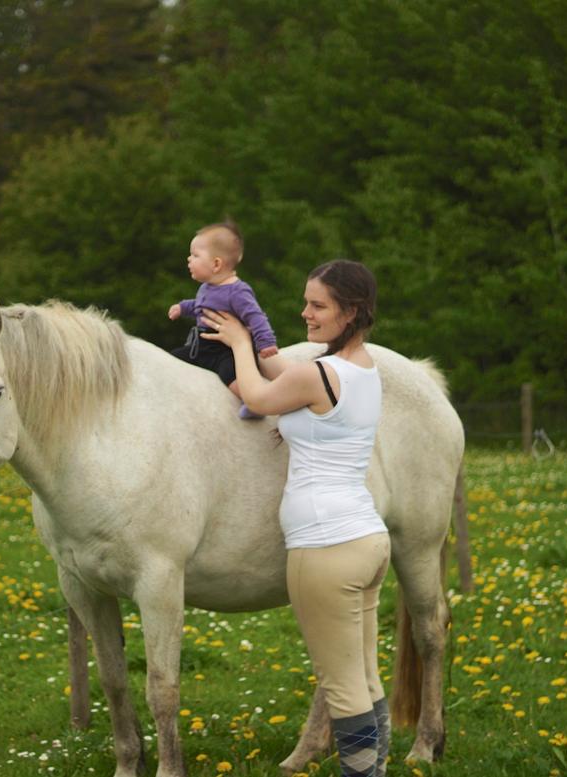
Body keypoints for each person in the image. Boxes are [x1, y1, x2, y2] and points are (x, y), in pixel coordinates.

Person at [201, 260, 390, 777]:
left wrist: (239, 340)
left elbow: (260, 396)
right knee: (366, 678)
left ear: (350, 312)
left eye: (318, 305)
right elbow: (290, 386)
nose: (305, 314)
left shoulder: (318, 373)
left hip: (325, 547)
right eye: (306, 301)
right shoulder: (363, 367)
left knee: (343, 686)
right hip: (366, 538)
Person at [168, 222, 278, 418]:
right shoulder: (208, 286)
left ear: (216, 264)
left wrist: (266, 342)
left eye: (195, 255)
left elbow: (256, 317)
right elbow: (200, 306)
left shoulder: (237, 291)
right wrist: (182, 307)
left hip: (226, 350)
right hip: (201, 346)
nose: (189, 259)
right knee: (171, 359)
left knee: (230, 375)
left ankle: (253, 402)